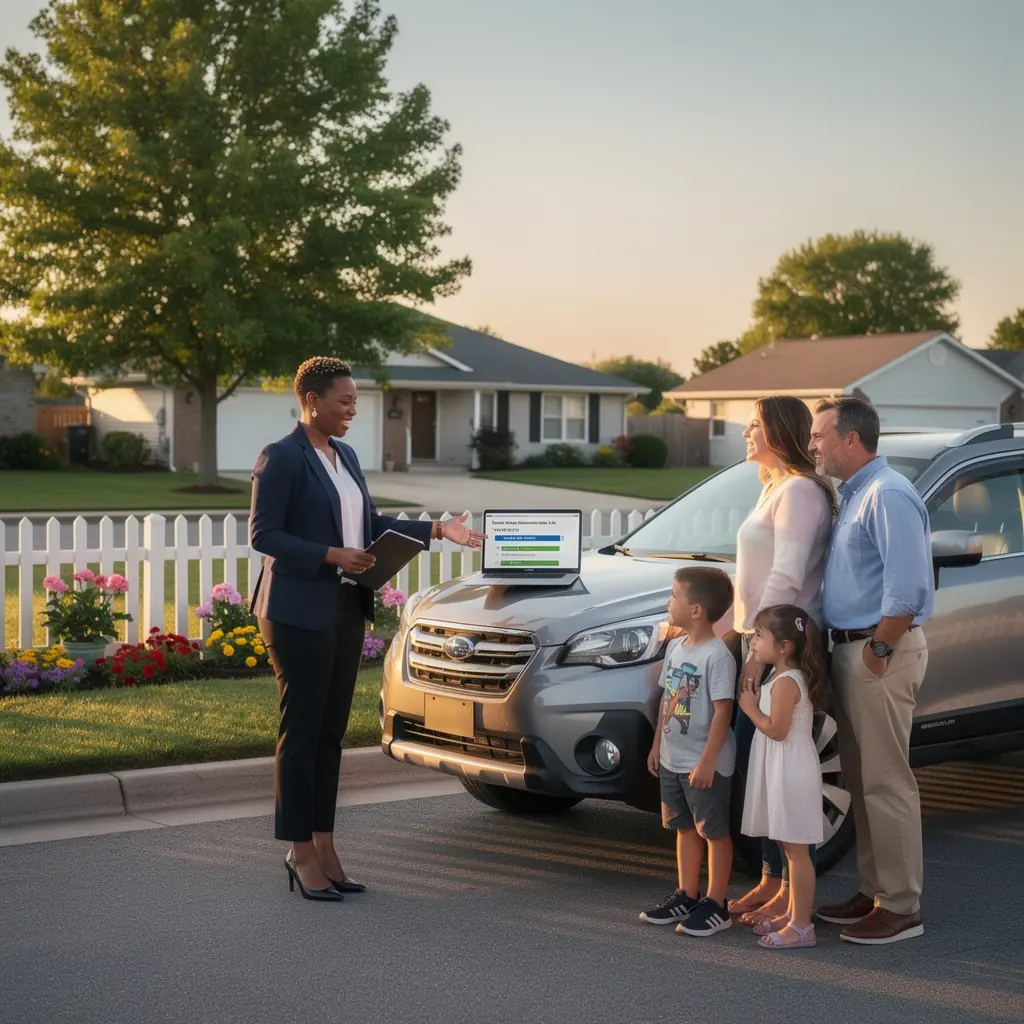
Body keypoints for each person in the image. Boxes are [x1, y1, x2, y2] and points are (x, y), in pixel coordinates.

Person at [250, 356, 484, 902]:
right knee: (302, 733)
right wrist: (331, 554)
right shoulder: (280, 457)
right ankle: (299, 850)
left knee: (331, 734)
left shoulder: (345, 456)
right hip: (295, 611)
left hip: (345, 608)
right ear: (312, 400)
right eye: (345, 400)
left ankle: (326, 846)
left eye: (356, 401)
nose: (353, 409)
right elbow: (265, 534)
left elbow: (370, 525)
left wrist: (437, 529)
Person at [809, 396, 933, 944]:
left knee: (887, 782)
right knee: (862, 782)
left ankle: (902, 907)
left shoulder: (889, 495)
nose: (813, 445)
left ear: (851, 440)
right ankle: (873, 890)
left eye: (820, 436)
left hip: (879, 652)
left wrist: (876, 652)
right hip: (855, 651)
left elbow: (905, 589)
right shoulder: (856, 495)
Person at [729, 396, 835, 927]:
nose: (747, 432)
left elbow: (788, 577)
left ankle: (793, 894)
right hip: (760, 640)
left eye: (755, 424)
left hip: (781, 647)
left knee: (780, 773)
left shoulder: (799, 491)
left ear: (778, 431)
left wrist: (755, 652)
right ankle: (773, 882)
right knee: (761, 771)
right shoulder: (773, 489)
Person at [640, 566, 737, 937]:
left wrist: (708, 760)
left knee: (713, 831)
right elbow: (668, 698)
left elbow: (723, 712)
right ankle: (688, 894)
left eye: (675, 595)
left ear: (696, 610)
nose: (669, 601)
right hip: (672, 757)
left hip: (703, 763)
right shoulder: (677, 646)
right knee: (683, 827)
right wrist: (656, 744)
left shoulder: (717, 656)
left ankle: (716, 903)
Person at [739, 605, 827, 950]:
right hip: (784, 769)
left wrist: (750, 709)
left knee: (796, 851)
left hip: (790, 772)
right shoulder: (781, 677)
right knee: (789, 849)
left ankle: (802, 926)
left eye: (760, 636)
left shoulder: (786, 682)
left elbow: (776, 730)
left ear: (785, 646)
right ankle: (792, 914)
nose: (754, 642)